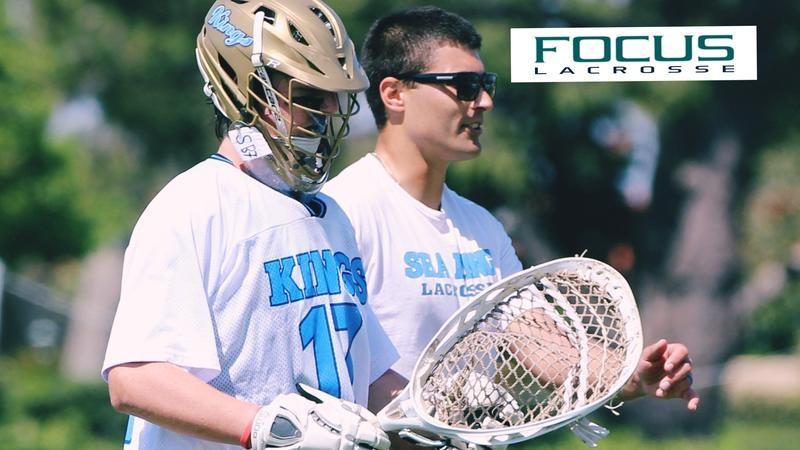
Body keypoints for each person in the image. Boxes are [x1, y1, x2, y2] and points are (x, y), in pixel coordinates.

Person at [322, 5, 700, 426]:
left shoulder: (482, 227)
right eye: (465, 86)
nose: (484, 101)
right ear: (394, 94)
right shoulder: (339, 214)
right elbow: (333, 358)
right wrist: (419, 422)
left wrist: (629, 375)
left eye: (486, 84)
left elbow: (538, 339)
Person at [102, 1, 404, 449]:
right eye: (309, 96)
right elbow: (136, 379)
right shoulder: (194, 206)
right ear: (246, 90)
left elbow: (366, 375)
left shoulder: (330, 214)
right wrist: (272, 427)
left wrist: (440, 412)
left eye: (334, 97)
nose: (328, 112)